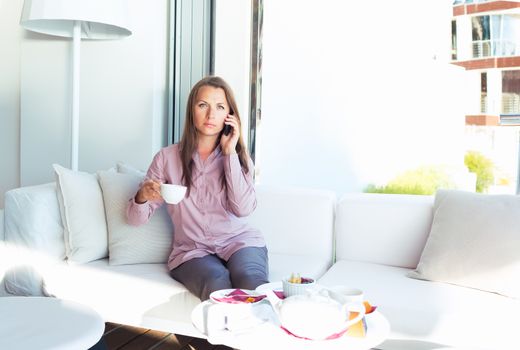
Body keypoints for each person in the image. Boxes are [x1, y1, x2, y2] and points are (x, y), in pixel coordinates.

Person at [126, 76, 269, 301]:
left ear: (229, 116)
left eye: (220, 107)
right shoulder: (166, 158)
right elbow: (135, 220)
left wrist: (230, 153)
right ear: (192, 110)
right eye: (203, 105)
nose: (211, 115)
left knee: (251, 280)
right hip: (192, 251)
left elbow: (242, 209)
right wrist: (142, 195)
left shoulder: (239, 158)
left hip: (239, 242)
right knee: (216, 282)